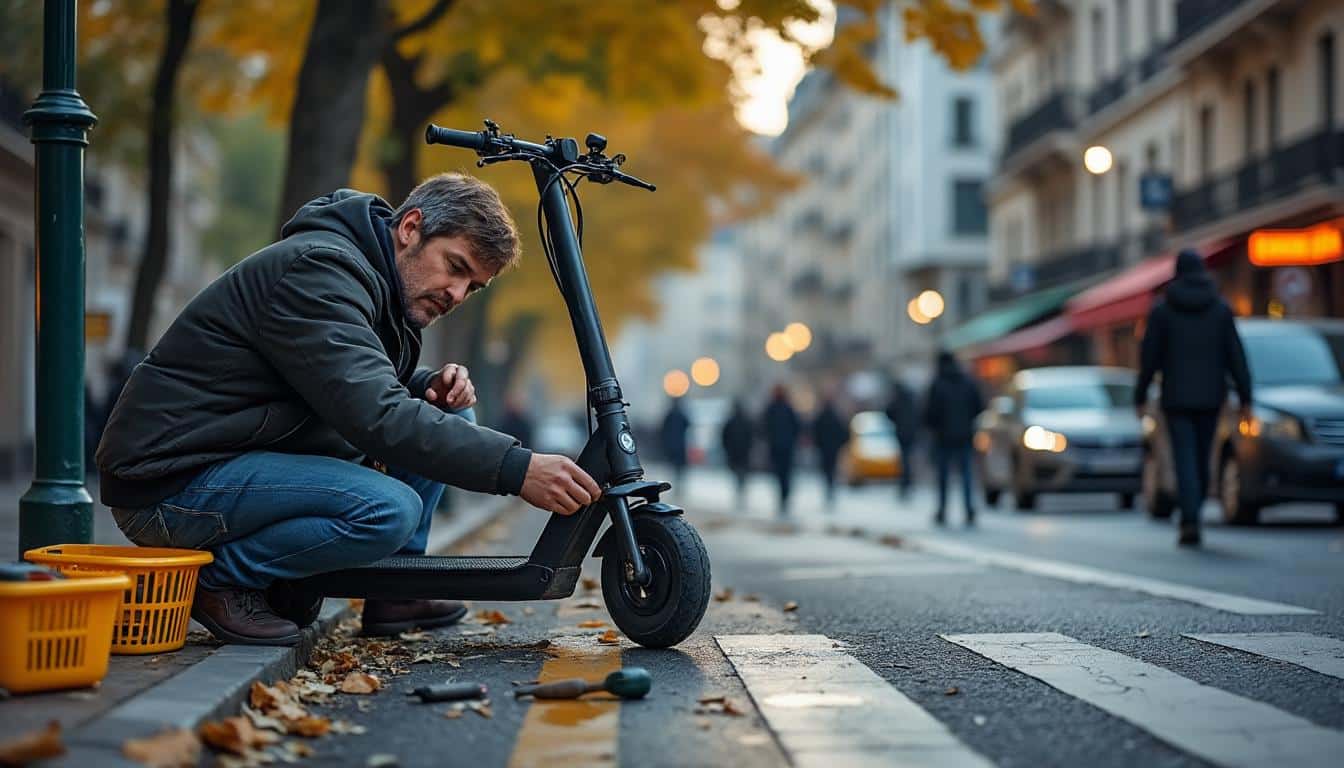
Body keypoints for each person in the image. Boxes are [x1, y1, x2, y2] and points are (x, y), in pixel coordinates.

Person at [97, 174, 602, 646]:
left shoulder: (372, 282)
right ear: (410, 228)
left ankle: (395, 589)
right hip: (170, 482)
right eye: (455, 267)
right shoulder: (319, 272)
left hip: (234, 461)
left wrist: (428, 386)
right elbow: (375, 415)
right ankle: (219, 577)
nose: (457, 294)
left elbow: (352, 382)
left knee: (449, 417)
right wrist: (518, 469)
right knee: (387, 509)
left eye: (472, 286)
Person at [1135, 249, 1251, 547]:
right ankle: (1193, 508)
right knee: (1201, 458)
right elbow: (1235, 355)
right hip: (1212, 396)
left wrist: (1140, 395)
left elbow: (1149, 358)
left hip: (1175, 397)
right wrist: (1246, 397)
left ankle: (1190, 517)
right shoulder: (1221, 308)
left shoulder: (1162, 310)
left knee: (1184, 457)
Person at [923, 351, 983, 526]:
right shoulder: (967, 382)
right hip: (965, 436)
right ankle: (969, 509)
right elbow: (978, 406)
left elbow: (929, 412)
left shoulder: (938, 383)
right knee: (966, 475)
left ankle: (942, 510)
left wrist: (935, 428)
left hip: (943, 438)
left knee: (943, 476)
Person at [762, 385, 801, 517]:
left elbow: (764, 427)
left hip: (780, 448)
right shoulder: (784, 408)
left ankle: (783, 497)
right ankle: (783, 497)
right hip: (784, 448)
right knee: (783, 475)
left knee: (782, 475)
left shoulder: (774, 409)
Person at [811, 395, 849, 506]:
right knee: (831, 470)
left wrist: (818, 444)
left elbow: (815, 431)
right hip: (832, 448)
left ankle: (829, 489)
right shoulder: (835, 417)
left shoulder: (821, 416)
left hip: (824, 448)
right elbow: (843, 432)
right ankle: (830, 489)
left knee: (826, 470)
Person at [884, 378, 919, 499]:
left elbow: (888, 411)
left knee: (904, 460)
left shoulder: (897, 399)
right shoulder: (911, 400)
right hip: (911, 434)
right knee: (909, 459)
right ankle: (908, 483)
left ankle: (905, 483)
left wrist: (896, 422)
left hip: (902, 434)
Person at [720, 398, 755, 506]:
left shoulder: (731, 421)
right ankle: (741, 488)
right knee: (741, 472)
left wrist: (727, 448)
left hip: (735, 452)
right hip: (742, 451)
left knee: (738, 472)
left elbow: (724, 436)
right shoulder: (745, 420)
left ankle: (740, 489)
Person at [658, 398, 691, 490]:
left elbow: (663, 430)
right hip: (679, 445)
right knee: (678, 468)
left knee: (676, 467)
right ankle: (678, 486)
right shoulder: (680, 414)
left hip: (673, 445)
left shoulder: (670, 415)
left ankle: (677, 486)